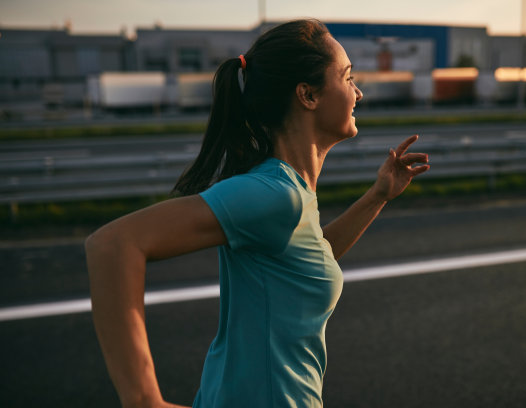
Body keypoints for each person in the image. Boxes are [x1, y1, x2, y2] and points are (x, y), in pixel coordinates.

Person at [86, 19, 429, 408]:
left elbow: (309, 260)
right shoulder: (275, 195)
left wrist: (378, 195)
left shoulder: (290, 192)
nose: (358, 92)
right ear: (308, 95)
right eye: (347, 77)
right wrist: (145, 401)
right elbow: (113, 244)